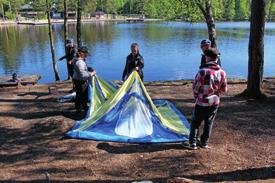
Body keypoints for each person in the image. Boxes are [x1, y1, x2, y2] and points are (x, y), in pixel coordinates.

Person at [183, 48, 227, 150]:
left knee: (195, 122)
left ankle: (192, 143)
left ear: (207, 58)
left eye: (205, 56)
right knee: (209, 122)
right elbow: (224, 90)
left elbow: (196, 88)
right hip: (215, 102)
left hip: (202, 102)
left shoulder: (202, 71)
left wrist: (196, 96)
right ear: (217, 58)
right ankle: (204, 143)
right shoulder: (222, 73)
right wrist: (216, 92)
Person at [73, 46, 96, 114]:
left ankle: (80, 107)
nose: (87, 55)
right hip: (80, 81)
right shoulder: (79, 62)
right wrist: (92, 73)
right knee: (82, 95)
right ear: (81, 53)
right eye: (86, 54)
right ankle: (82, 108)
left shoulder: (76, 59)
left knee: (80, 94)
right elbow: (83, 75)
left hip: (77, 79)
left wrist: (89, 68)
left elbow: (83, 69)